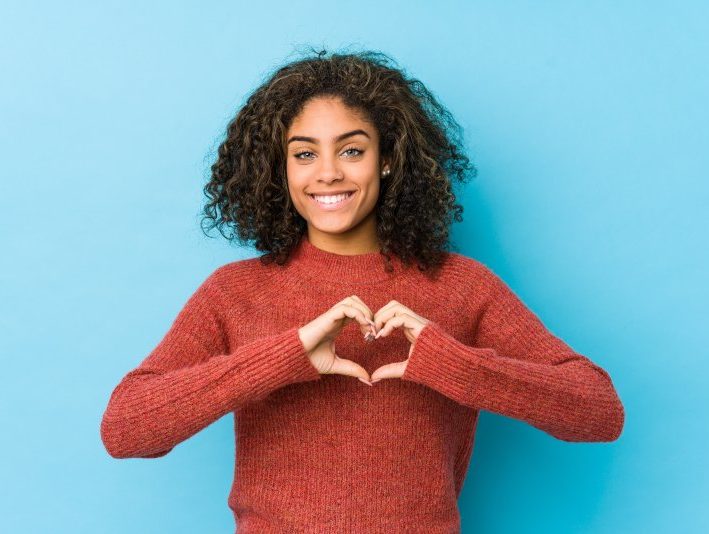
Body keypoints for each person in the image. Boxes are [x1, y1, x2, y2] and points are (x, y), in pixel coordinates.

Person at [100, 47, 625, 533]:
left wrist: (450, 362)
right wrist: (286, 356)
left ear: (389, 158)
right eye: (304, 154)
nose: (327, 174)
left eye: (351, 150)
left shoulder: (462, 286)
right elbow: (126, 429)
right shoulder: (235, 292)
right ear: (279, 170)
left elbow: (598, 412)